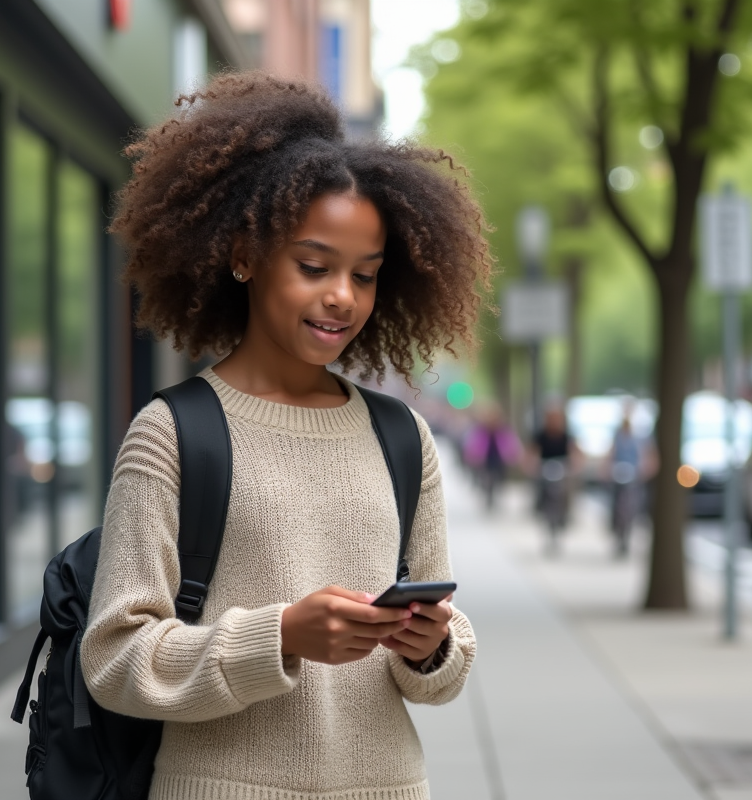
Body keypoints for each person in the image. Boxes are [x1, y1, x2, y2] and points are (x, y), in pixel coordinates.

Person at [80, 72, 491, 800]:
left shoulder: (401, 437)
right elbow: (116, 659)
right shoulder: (174, 432)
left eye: (365, 276)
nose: (342, 296)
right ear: (243, 254)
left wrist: (431, 650)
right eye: (313, 266)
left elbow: (442, 670)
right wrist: (278, 637)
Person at [532, 402, 577, 551]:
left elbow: (574, 453)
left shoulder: (566, 435)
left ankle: (566, 513)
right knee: (540, 490)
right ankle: (539, 507)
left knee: (565, 491)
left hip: (562, 471)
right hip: (546, 471)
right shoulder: (541, 435)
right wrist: (533, 465)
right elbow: (533, 453)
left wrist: (574, 465)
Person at [461, 403, 520, 511]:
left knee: (499, 478)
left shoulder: (503, 429)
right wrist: (473, 456)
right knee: (487, 477)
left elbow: (511, 442)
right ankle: (488, 494)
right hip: (485, 459)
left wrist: (512, 455)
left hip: (499, 458)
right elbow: (473, 444)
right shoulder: (480, 430)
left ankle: (494, 493)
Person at [608, 403, 644, 556]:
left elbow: (644, 456)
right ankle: (615, 527)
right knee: (615, 502)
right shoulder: (617, 436)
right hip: (618, 475)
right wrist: (607, 468)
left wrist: (643, 469)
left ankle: (628, 530)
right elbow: (611, 454)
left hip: (632, 476)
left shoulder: (639, 437)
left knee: (632, 504)